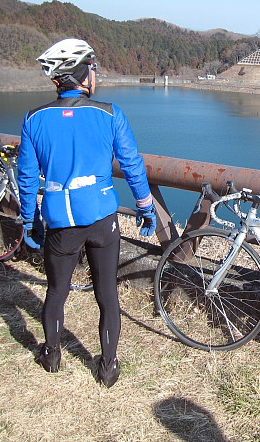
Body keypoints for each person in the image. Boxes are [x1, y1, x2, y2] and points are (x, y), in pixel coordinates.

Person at [17, 38, 157, 387]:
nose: (96, 73)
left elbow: (26, 176)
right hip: (102, 218)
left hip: (60, 221)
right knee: (106, 292)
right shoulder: (109, 113)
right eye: (93, 67)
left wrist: (28, 219)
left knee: (56, 290)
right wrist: (144, 205)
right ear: (83, 73)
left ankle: (51, 356)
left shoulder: (34, 119)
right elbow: (131, 164)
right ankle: (108, 367)